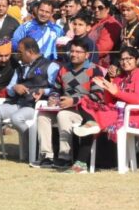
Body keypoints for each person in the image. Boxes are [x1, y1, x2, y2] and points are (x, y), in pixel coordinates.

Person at [70, 46, 139, 173]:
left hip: (134, 116)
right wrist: (106, 87)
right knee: (85, 102)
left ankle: (81, 162)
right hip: (116, 112)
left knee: (94, 119)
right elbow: (109, 102)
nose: (125, 62)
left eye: (129, 59)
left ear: (137, 60)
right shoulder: (120, 77)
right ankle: (90, 127)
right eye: (122, 59)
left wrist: (116, 91)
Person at [0, 37, 59, 162]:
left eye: (20, 52)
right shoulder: (19, 68)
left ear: (30, 52)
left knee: (17, 117)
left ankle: (34, 145)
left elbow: (56, 88)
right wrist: (15, 87)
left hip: (36, 106)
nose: (17, 55)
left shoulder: (50, 66)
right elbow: (9, 89)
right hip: (19, 103)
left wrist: (43, 91)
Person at [33, 38, 99, 170]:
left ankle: (65, 157)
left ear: (87, 55)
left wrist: (74, 101)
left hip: (84, 111)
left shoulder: (94, 70)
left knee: (63, 115)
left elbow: (98, 96)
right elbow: (56, 89)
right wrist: (53, 98)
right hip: (63, 107)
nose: (74, 54)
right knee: (42, 115)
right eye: (72, 51)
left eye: (78, 52)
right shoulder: (64, 69)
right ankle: (47, 156)